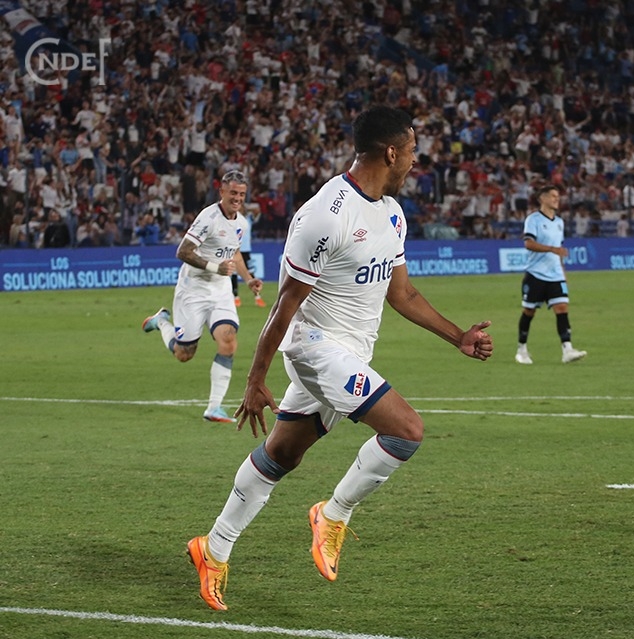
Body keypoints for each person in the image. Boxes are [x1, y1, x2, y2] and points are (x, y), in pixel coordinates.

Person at [185, 106, 494, 611]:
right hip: (314, 347)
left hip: (352, 352)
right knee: (406, 431)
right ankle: (333, 513)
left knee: (281, 456)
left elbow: (403, 294)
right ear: (390, 152)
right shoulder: (325, 215)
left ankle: (212, 549)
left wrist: (457, 336)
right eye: (412, 150)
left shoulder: (391, 212)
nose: (415, 160)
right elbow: (284, 306)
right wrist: (254, 379)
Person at [142, 170, 262, 423]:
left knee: (228, 341)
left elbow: (235, 254)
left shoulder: (241, 223)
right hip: (193, 291)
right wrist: (214, 267)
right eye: (233, 193)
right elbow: (183, 251)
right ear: (222, 191)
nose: (237, 198)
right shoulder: (208, 218)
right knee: (184, 354)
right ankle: (161, 321)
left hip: (220, 292)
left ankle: (214, 408)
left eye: (242, 194)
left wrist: (248, 279)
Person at [514, 184, 587, 365]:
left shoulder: (560, 222)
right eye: (553, 196)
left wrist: (563, 272)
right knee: (529, 311)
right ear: (543, 198)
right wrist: (552, 249)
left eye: (558, 196)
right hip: (536, 274)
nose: (557, 199)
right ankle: (521, 350)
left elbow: (559, 249)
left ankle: (567, 350)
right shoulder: (533, 220)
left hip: (555, 274)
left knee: (562, 308)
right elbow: (528, 243)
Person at [231, 205, 265, 307]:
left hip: (246, 251)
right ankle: (236, 298)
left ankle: (257, 297)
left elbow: (257, 209)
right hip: (236, 250)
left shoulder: (248, 218)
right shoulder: (232, 219)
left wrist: (246, 207)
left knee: (251, 273)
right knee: (234, 274)